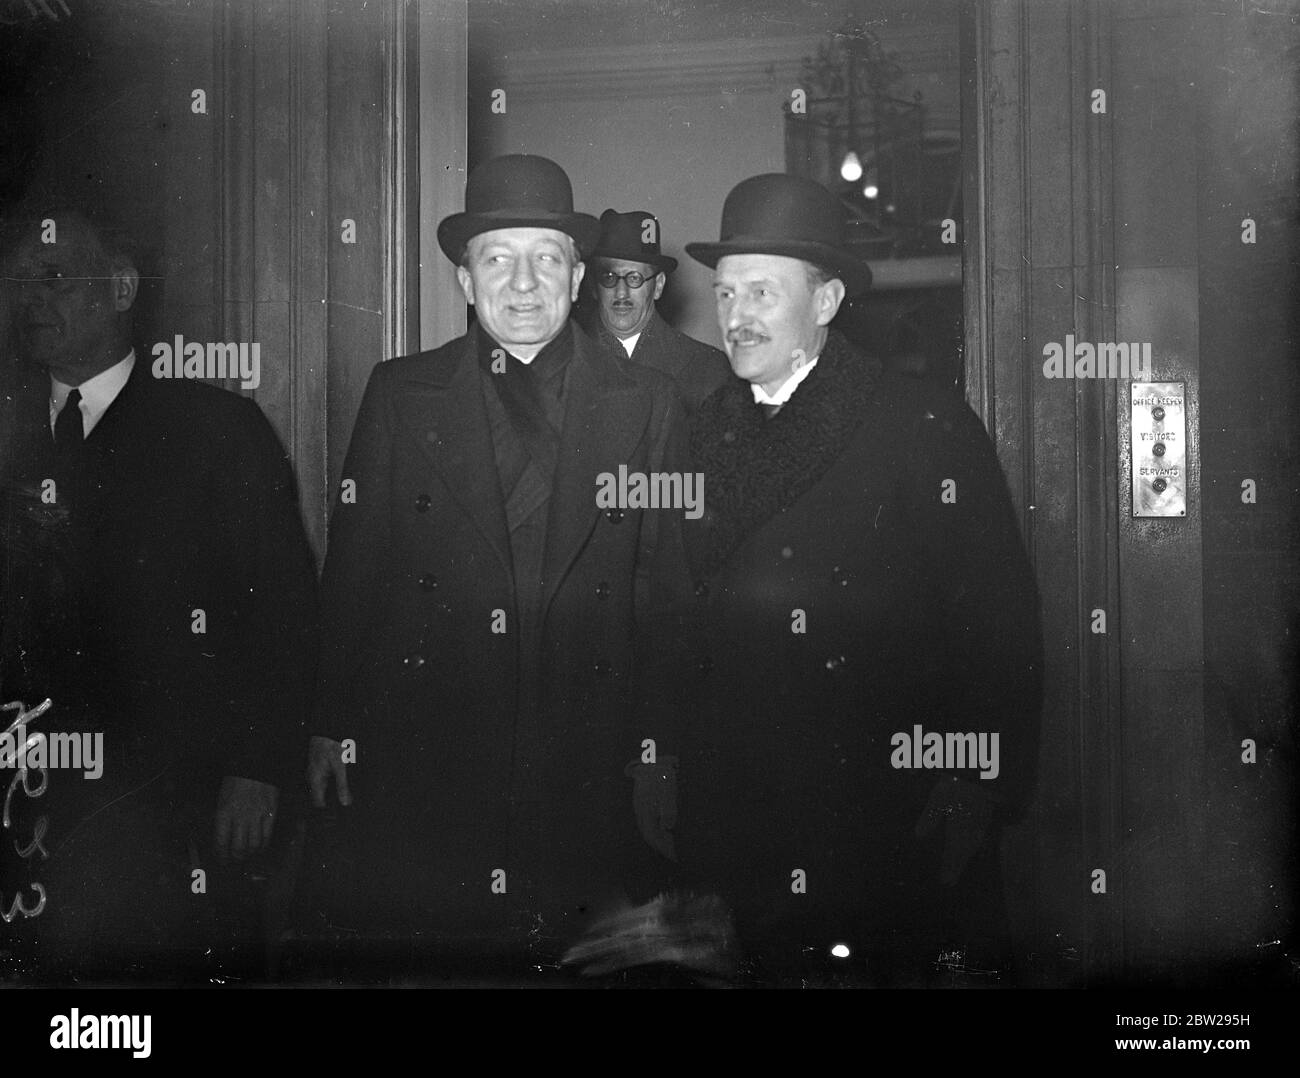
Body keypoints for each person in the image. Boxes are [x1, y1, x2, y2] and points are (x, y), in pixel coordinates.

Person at [304, 155, 689, 977]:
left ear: (578, 275)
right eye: (497, 259)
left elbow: (664, 593)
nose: (523, 284)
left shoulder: (649, 403)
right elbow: (356, 566)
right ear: (463, 280)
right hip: (431, 754)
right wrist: (330, 722)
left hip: (588, 762)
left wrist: (659, 751)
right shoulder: (401, 394)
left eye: (546, 258)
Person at [673, 173, 1043, 985]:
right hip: (744, 828)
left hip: (888, 824)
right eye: (727, 292)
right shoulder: (702, 433)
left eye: (762, 293)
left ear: (828, 300)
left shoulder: (922, 424)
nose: (736, 317)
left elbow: (996, 625)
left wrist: (969, 782)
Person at [0, 205, 318, 980]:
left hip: (180, 800)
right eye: (18, 284)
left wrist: (259, 767)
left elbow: (283, 611)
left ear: (120, 286)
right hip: (28, 797)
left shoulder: (219, 429)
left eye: (54, 277)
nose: (31, 300)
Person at [582, 209, 730, 413]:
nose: (622, 293)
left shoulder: (705, 368)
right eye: (610, 277)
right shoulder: (568, 361)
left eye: (635, 278)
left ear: (658, 286)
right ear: (593, 285)